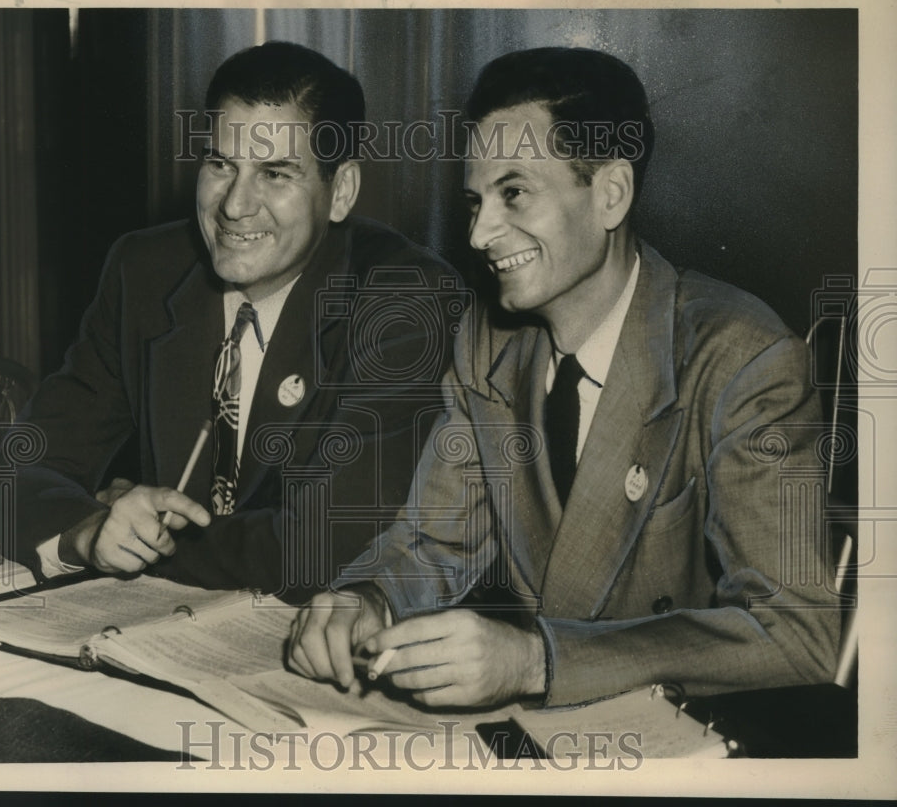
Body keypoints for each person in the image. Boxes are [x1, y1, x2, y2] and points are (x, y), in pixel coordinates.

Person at [288, 47, 842, 708]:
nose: (479, 233)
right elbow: (437, 541)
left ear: (610, 195)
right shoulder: (486, 341)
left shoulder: (744, 360)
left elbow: (796, 635)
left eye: (514, 193)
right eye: (475, 202)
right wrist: (368, 598)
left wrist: (538, 662)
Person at [8, 41, 461, 603]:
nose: (234, 205)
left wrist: (144, 540)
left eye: (275, 173)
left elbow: (322, 545)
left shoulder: (406, 301)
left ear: (340, 191)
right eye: (221, 164)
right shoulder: (144, 272)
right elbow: (21, 463)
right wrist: (89, 531)